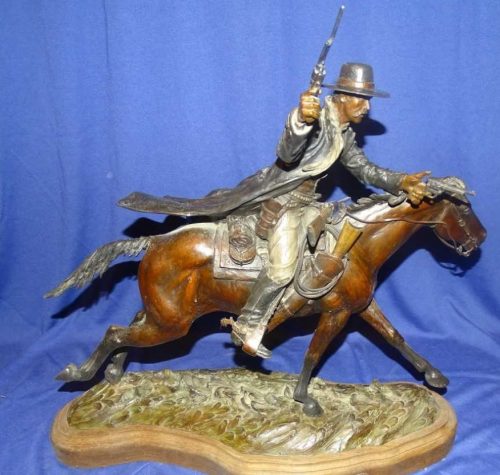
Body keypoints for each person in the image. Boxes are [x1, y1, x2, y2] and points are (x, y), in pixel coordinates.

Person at [118, 62, 428, 358]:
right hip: (284, 204)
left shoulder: (343, 132)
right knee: (282, 269)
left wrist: (400, 181)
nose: (367, 106)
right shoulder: (317, 119)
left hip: (308, 204)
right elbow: (287, 153)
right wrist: (300, 121)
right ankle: (249, 324)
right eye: (361, 98)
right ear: (343, 97)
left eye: (368, 99)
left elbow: (363, 168)